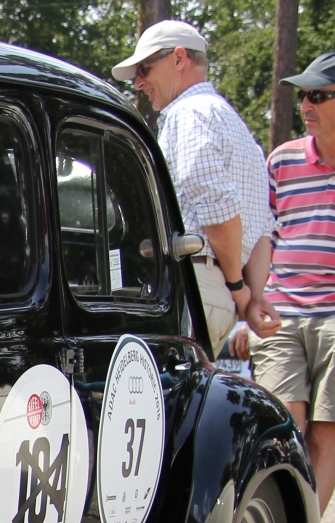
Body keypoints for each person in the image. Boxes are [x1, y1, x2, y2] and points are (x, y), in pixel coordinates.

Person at [114, 21, 280, 357]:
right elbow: (262, 229)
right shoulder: (235, 125)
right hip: (217, 297)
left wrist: (237, 287)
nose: (139, 83)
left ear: (179, 59)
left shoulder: (187, 114)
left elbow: (218, 209)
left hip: (197, 288)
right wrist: (252, 297)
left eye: (144, 68)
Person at [249, 53, 335, 514]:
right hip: (283, 312)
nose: (306, 105)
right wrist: (251, 302)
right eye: (304, 95)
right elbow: (263, 236)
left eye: (319, 95)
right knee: (284, 429)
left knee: (326, 434)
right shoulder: (283, 160)